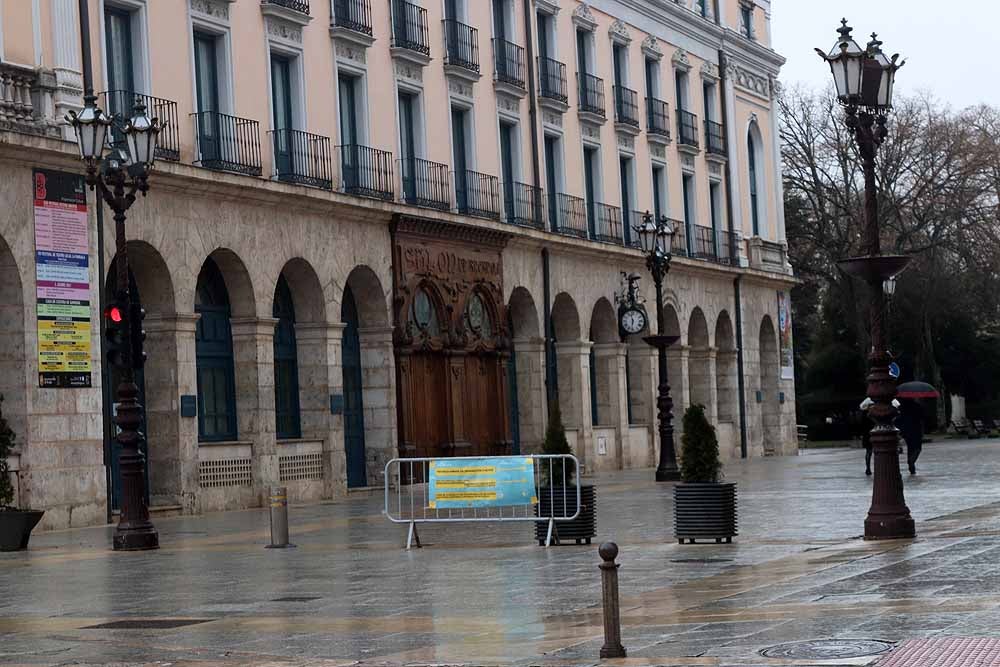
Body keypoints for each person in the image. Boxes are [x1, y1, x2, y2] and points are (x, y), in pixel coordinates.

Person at [897, 398, 924, 475]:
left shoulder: (902, 407)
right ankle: (911, 461)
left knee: (910, 447)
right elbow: (922, 417)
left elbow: (899, 419)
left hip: (906, 430)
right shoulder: (917, 406)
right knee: (918, 448)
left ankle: (910, 461)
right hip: (916, 429)